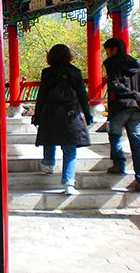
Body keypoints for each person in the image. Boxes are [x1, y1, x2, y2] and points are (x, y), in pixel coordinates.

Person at [32, 44, 92, 195]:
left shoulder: (47, 73)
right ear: (68, 56)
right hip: (71, 113)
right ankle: (68, 183)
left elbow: (42, 96)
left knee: (50, 137)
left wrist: (37, 116)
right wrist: (88, 115)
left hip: (50, 111)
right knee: (70, 149)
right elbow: (83, 96)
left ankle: (48, 163)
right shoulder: (76, 72)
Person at [103, 37, 140, 192]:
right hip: (138, 109)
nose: (107, 54)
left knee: (115, 135)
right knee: (137, 144)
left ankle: (119, 164)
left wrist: (133, 95)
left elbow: (114, 84)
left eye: (107, 50)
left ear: (114, 49)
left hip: (121, 107)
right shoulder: (137, 64)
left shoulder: (111, 63)